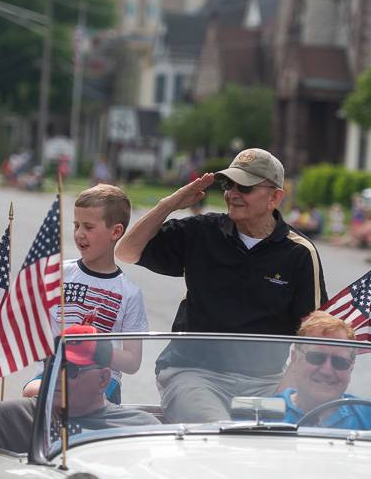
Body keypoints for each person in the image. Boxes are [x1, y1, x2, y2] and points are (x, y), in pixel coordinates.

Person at [116, 148, 327, 423]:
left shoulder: (299, 253)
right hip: (192, 371)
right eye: (228, 185)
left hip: (265, 381)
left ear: (275, 197)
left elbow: (312, 335)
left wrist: (284, 389)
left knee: (276, 441)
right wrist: (169, 204)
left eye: (245, 187)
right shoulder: (202, 231)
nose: (232, 193)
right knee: (218, 431)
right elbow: (127, 252)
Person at [0, 325, 160, 470]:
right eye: (52, 366)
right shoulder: (13, 416)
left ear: (103, 379)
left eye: (70, 370)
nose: (56, 376)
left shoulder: (140, 427)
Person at [22, 184, 148, 402]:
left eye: (88, 227)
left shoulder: (129, 293)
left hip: (102, 379)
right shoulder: (56, 273)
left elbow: (132, 361)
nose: (79, 234)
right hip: (56, 371)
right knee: (32, 391)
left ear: (116, 231)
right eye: (76, 225)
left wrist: (92, 349)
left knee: (80, 400)